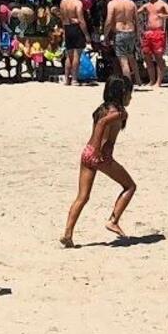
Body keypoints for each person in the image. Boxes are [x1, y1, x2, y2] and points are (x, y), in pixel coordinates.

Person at [62, 76, 137, 246]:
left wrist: (93, 148)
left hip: (87, 152)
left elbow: (100, 122)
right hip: (101, 156)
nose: (131, 98)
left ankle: (68, 233)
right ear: (122, 93)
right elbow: (102, 124)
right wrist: (97, 149)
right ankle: (113, 220)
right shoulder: (119, 113)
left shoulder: (101, 109)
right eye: (130, 94)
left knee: (82, 196)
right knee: (130, 186)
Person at [105, 0, 140, 83]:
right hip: (131, 31)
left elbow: (108, 21)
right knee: (131, 56)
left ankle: (128, 83)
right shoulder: (131, 3)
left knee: (123, 61)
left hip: (120, 32)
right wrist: (138, 35)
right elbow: (136, 20)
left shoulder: (112, 4)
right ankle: (138, 80)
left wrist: (105, 35)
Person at [140, 0, 168, 89]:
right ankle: (151, 80)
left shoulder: (162, 4)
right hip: (148, 32)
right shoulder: (147, 5)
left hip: (158, 32)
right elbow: (136, 12)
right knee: (147, 57)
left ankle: (158, 82)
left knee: (158, 57)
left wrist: (163, 16)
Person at [59, 0, 88, 86]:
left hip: (67, 28)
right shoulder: (77, 3)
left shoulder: (63, 1)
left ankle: (67, 78)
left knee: (69, 55)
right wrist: (86, 35)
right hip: (76, 29)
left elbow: (62, 18)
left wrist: (64, 31)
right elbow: (81, 20)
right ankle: (74, 79)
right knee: (77, 55)